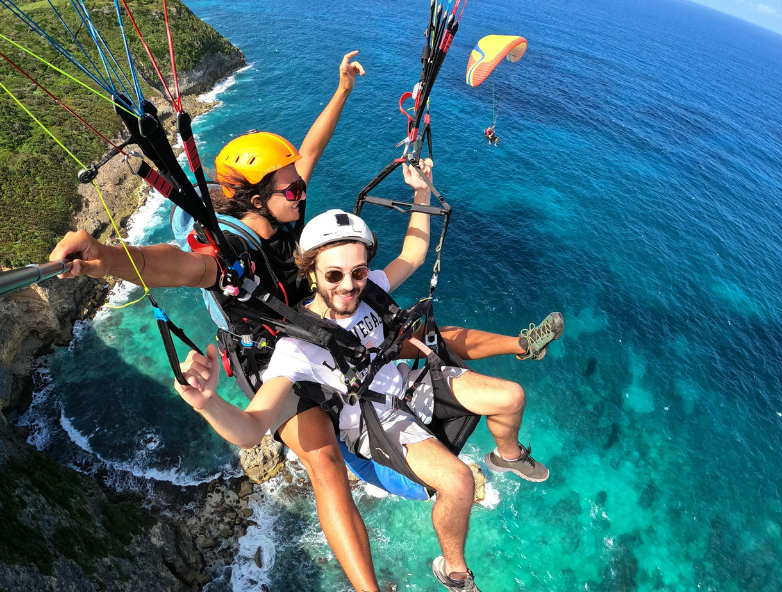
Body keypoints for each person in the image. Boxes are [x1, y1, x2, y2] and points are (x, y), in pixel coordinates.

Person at [50, 52, 563, 591]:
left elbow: (311, 151)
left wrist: (341, 89)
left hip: (331, 326)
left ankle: (520, 348)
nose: (302, 191)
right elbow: (166, 265)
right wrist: (103, 258)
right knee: (325, 466)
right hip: (277, 352)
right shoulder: (226, 254)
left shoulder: (295, 222)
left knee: (433, 340)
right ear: (257, 200)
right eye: (291, 189)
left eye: (299, 185)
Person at [174, 209, 557, 592]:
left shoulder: (371, 289)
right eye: (334, 275)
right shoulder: (294, 348)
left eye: (357, 273)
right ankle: (455, 573)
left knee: (511, 396)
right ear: (312, 275)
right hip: (375, 419)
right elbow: (253, 427)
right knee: (458, 482)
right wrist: (208, 403)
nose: (349, 286)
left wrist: (421, 189)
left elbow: (414, 253)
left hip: (409, 383)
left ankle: (508, 458)